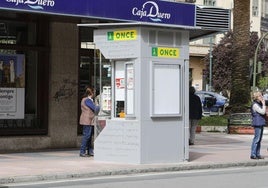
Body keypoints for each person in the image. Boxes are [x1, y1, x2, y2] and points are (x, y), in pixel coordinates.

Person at [79, 86, 100, 157]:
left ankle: (90, 151)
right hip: (87, 120)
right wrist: (100, 105)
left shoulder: (85, 99)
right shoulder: (87, 100)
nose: (94, 93)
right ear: (91, 93)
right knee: (87, 136)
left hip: (88, 120)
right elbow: (95, 109)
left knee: (89, 136)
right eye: (93, 92)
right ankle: (82, 151)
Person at [250, 91, 266, 160]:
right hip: (257, 123)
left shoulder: (258, 103)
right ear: (257, 97)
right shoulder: (255, 105)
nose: (261, 97)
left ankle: (257, 154)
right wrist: (264, 104)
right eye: (260, 96)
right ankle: (253, 154)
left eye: (261, 96)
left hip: (261, 123)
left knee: (259, 140)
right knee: (256, 139)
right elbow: (262, 112)